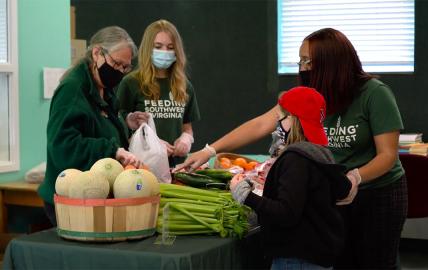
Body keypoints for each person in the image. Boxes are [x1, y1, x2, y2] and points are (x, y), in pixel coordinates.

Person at [179, 28, 407, 269]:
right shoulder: (308, 96)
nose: (303, 67)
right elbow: (259, 124)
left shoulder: (374, 94)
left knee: (376, 262)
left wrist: (356, 177)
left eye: (308, 61)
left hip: (377, 192)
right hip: (335, 192)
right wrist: (210, 150)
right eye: (300, 60)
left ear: (331, 62)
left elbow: (388, 155)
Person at [229, 86, 359, 269]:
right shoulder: (320, 155)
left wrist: (245, 195)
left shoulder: (296, 160)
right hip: (317, 256)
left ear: (295, 120)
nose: (278, 122)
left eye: (282, 117)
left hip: (296, 259)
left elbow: (286, 213)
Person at [38, 26, 141, 226]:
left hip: (94, 196)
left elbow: (99, 124)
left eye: (125, 68)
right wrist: (112, 150)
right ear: (97, 53)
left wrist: (125, 123)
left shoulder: (104, 88)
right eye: (117, 63)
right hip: (71, 199)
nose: (119, 72)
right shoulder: (72, 90)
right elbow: (63, 145)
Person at [116, 19, 200, 167]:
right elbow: (118, 126)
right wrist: (153, 145)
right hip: (142, 166)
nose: (165, 52)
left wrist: (186, 139)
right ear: (148, 48)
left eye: (170, 47)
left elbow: (187, 126)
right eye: (158, 46)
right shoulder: (131, 83)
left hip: (177, 166)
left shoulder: (184, 86)